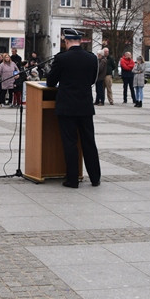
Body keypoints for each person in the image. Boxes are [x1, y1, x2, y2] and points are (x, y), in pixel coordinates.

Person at [46, 29, 101, 188]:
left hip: (67, 106)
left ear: (66, 41)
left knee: (70, 142)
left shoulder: (61, 58)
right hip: (85, 106)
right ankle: (95, 177)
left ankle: (72, 179)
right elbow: (92, 80)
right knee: (89, 141)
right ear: (80, 41)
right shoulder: (91, 58)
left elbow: (50, 82)